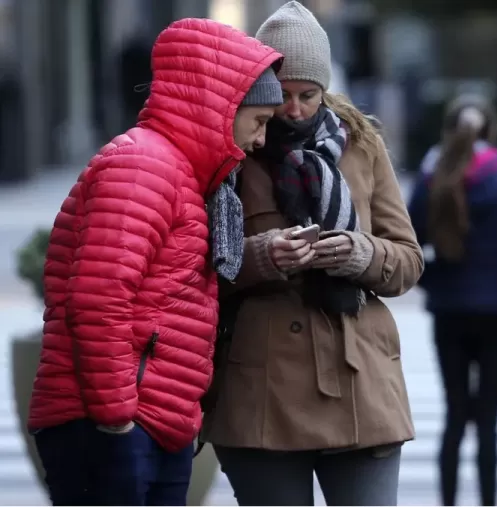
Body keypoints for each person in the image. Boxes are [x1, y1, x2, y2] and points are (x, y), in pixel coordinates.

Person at [28, 18, 284, 506]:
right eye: (259, 121)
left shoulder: (183, 175)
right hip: (112, 425)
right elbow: (97, 299)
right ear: (222, 107)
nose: (260, 141)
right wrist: (116, 417)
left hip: (152, 424)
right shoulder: (143, 166)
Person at [198, 2, 424, 505]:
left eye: (309, 95)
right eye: (281, 96)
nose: (295, 109)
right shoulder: (230, 148)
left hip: (359, 382)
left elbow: (408, 259)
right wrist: (259, 256)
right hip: (263, 392)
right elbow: (191, 270)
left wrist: (361, 254)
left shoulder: (361, 146)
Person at [407, 95, 497, 506]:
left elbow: (410, 241)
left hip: (449, 308)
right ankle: (488, 500)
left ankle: (448, 499)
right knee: (487, 419)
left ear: (449, 131)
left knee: (454, 416)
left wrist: (433, 282)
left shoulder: (433, 177)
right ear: (492, 131)